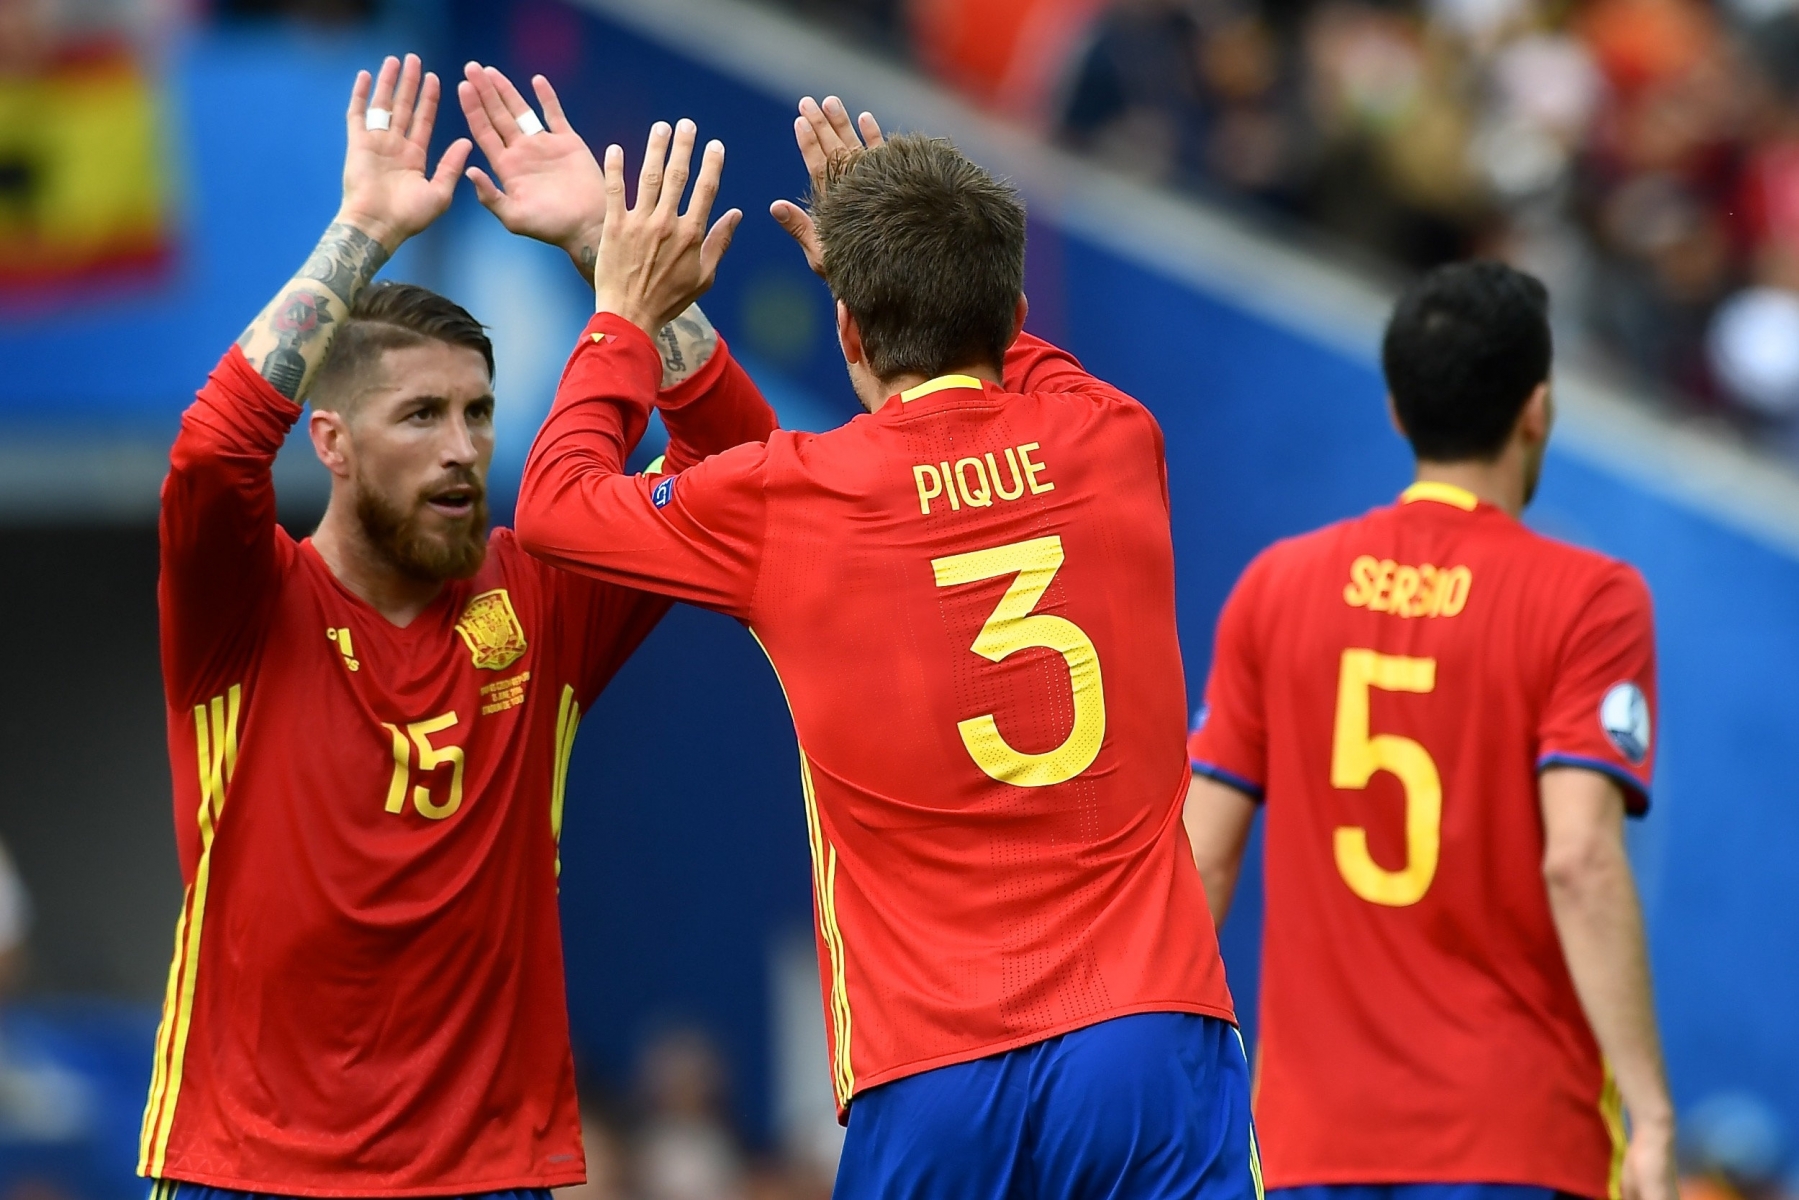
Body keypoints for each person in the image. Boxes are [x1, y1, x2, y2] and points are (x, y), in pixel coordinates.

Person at [512, 93, 1257, 1199]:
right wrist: (904, 259)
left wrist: (618, 308)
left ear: (847, 331)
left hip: (933, 1073)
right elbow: (989, 350)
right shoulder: (1113, 440)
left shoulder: (797, 499)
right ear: (1006, 311)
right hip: (1145, 1038)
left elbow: (554, 504)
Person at [141, 54, 773, 1196]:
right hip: (247, 1166)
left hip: (485, 1170)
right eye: (420, 414)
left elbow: (740, 477)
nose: (460, 447)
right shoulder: (243, 604)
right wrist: (361, 232)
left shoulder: (541, 594)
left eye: (479, 413)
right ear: (327, 441)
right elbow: (211, 452)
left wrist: (602, 257)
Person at [1183, 262, 1676, 1200]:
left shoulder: (1275, 586)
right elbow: (1579, 860)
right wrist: (1650, 1111)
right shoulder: (1589, 600)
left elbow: (1200, 864)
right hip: (1513, 1137)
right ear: (1537, 409)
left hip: (1309, 1142)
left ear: (1397, 413)